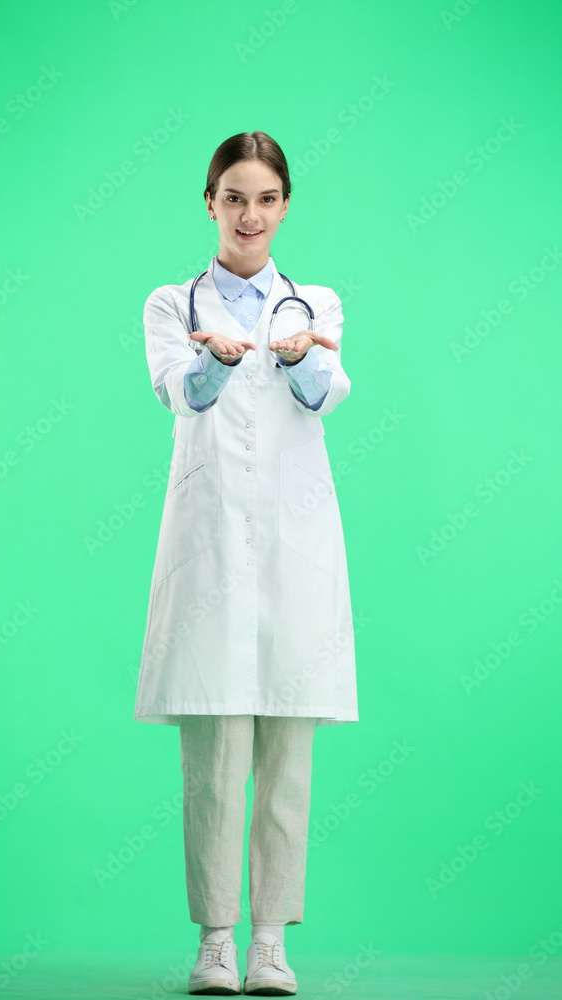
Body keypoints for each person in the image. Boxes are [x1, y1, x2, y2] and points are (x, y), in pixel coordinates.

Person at [134, 130, 359, 996]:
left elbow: (325, 393)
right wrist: (212, 361)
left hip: (296, 548)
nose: (249, 214)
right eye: (234, 197)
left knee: (287, 753)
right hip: (210, 546)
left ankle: (270, 942)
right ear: (209, 203)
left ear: (285, 205)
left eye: (265, 198)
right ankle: (215, 943)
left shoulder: (315, 304)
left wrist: (297, 358)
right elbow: (178, 393)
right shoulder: (170, 304)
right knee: (215, 755)